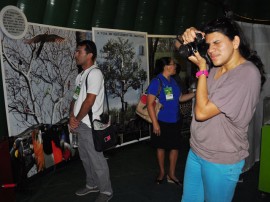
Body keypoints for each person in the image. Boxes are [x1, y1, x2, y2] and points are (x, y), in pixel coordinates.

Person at [175, 17, 265, 202]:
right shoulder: (217, 66)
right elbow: (178, 45)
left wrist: (201, 69)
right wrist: (190, 33)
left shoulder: (246, 73)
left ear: (235, 42)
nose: (211, 50)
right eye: (208, 45)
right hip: (197, 151)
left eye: (217, 42)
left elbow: (201, 113)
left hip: (221, 159)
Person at [69, 40, 113, 202]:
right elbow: (75, 98)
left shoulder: (95, 73)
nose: (75, 54)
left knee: (97, 160)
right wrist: (71, 117)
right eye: (76, 51)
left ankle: (106, 191)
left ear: (90, 55)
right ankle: (92, 184)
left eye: (79, 51)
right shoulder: (81, 76)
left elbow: (89, 101)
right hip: (79, 123)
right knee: (85, 158)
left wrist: (77, 119)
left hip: (89, 124)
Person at [147, 57, 195, 185]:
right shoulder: (157, 81)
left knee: (175, 147)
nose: (176, 67)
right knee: (161, 147)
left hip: (175, 120)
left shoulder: (173, 81)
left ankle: (171, 174)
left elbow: (180, 98)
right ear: (166, 67)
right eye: (174, 64)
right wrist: (155, 123)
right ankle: (162, 172)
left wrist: (195, 93)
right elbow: (150, 103)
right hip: (161, 121)